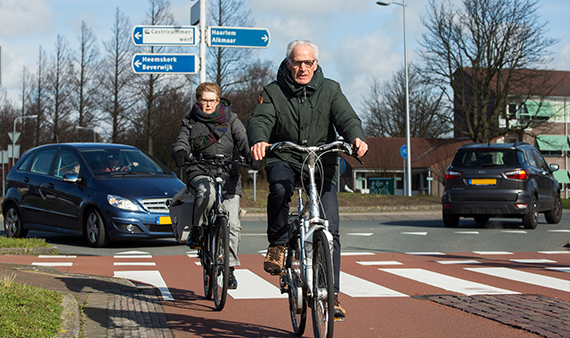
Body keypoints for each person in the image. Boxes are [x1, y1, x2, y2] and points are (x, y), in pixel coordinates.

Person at [247, 40, 368, 319]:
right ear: (288, 63)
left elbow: (346, 117)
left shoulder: (331, 89)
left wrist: (356, 137)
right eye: (297, 62)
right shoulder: (273, 91)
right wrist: (260, 140)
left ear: (316, 63)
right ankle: (277, 244)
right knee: (279, 188)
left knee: (331, 229)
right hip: (286, 157)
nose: (303, 68)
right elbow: (261, 120)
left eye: (308, 62)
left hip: (320, 161)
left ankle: (331, 296)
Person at [172, 82, 252, 290]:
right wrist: (180, 152)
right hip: (200, 169)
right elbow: (182, 142)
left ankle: (230, 268)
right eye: (204, 100)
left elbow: (243, 141)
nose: (208, 104)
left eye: (212, 100)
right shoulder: (189, 121)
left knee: (232, 224)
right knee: (205, 194)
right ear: (198, 101)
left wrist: (251, 154)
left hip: (228, 173)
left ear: (219, 101)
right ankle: (198, 229)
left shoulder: (232, 120)